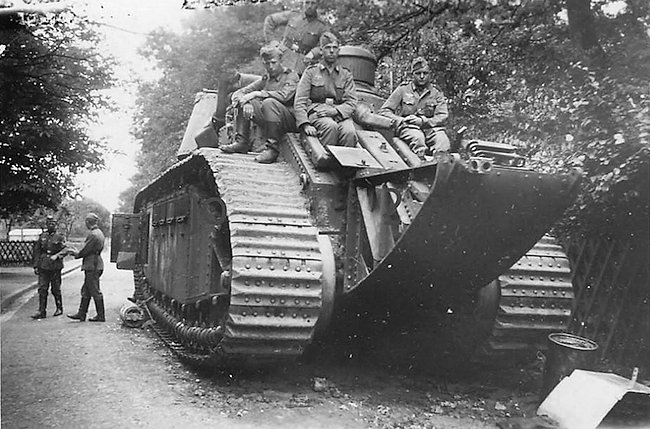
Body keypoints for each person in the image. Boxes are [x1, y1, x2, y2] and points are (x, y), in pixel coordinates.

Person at [219, 41, 300, 164]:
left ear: (280, 61)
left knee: (269, 102)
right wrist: (246, 102)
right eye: (267, 64)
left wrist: (257, 94)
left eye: (273, 63)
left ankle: (272, 149)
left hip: (289, 120)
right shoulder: (266, 79)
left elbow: (284, 96)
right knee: (244, 100)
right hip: (270, 119)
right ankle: (241, 142)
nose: (271, 67)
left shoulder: (291, 76)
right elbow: (240, 93)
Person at [294, 32, 358, 149]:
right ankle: (326, 163)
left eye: (335, 48)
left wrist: (335, 111)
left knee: (350, 132)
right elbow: (300, 100)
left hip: (339, 115)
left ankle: (347, 166)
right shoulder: (311, 72)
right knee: (330, 127)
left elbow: (352, 102)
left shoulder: (345, 74)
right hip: (317, 114)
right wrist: (305, 124)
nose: (332, 51)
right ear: (321, 51)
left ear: (339, 51)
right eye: (328, 48)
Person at [379, 57, 450, 159]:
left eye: (425, 73)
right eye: (418, 73)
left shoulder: (436, 93)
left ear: (429, 74)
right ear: (412, 74)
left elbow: (442, 115)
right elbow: (384, 111)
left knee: (442, 141)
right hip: (409, 128)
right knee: (418, 138)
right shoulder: (403, 89)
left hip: (430, 128)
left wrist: (422, 121)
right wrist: (401, 120)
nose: (422, 76)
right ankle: (421, 165)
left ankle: (441, 166)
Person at [263, 0, 330, 74]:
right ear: (303, 3)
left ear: (317, 5)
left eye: (313, 3)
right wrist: (272, 42)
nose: (310, 6)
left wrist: (313, 53)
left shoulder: (321, 25)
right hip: (282, 58)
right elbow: (270, 20)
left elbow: (326, 45)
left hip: (302, 63)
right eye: (307, 2)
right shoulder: (293, 15)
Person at [67, 213, 106, 323]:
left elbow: (86, 250)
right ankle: (81, 314)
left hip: (92, 265)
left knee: (94, 290)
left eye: (86, 222)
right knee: (86, 290)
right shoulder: (99, 233)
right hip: (95, 264)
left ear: (88, 222)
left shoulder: (93, 234)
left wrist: (76, 254)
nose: (85, 224)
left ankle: (100, 316)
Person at [31, 215, 66, 319]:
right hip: (43, 266)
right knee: (42, 288)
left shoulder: (60, 237)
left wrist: (57, 256)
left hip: (55, 266)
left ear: (56, 225)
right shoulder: (42, 236)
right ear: (47, 224)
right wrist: (36, 266)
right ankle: (42, 311)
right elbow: (37, 251)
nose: (51, 225)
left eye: (53, 224)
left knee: (56, 289)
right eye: (49, 223)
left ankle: (59, 308)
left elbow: (65, 250)